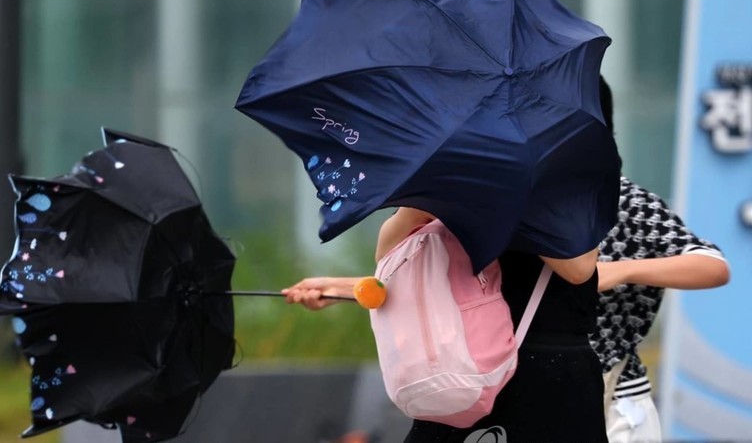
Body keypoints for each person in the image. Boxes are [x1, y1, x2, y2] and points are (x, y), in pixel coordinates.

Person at [284, 207, 610, 443]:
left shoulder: (551, 189)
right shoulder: (449, 188)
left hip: (521, 373)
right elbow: (396, 268)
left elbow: (579, 269)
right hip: (468, 366)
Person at [592, 76, 730, 443]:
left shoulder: (623, 201)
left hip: (616, 403)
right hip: (528, 392)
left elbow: (711, 264)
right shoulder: (519, 202)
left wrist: (619, 271)